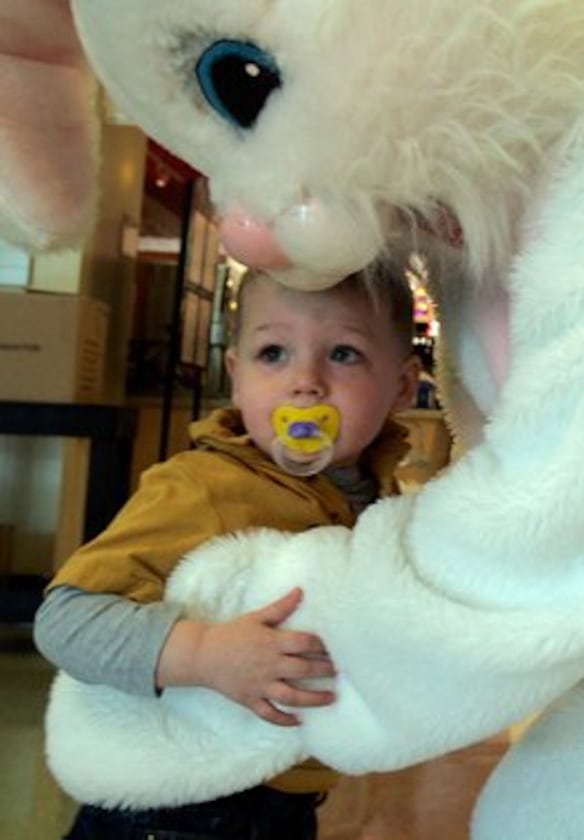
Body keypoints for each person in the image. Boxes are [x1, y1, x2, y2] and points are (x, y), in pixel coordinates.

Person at [34, 263, 420, 840]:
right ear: (236, 377)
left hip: (284, 804)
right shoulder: (201, 486)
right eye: (273, 353)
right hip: (169, 811)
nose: (306, 382)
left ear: (403, 387)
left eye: (343, 353)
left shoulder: (388, 510)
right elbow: (65, 621)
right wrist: (205, 654)